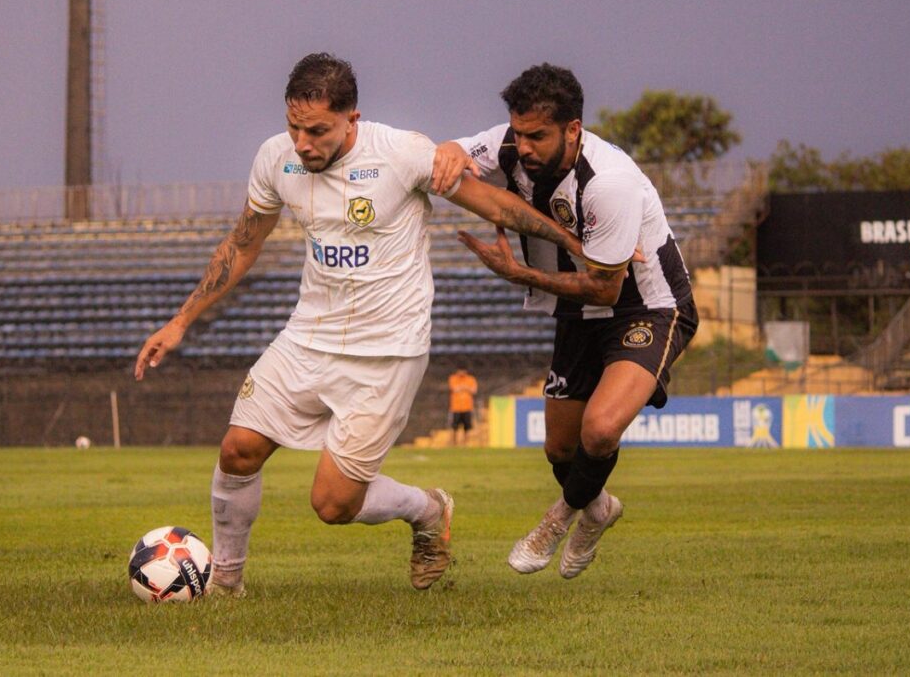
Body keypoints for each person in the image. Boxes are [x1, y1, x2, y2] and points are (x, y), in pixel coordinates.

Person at [134, 53, 585, 595]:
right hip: (307, 336)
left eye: (317, 130)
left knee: (332, 504)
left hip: (387, 351)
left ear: (353, 118)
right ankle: (226, 586)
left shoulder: (401, 154)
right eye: (294, 127)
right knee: (238, 449)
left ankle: (428, 509)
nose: (303, 142)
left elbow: (495, 204)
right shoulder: (276, 159)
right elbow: (243, 242)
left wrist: (576, 246)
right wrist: (182, 320)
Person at [432, 63, 699, 579]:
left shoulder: (610, 184)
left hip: (645, 306)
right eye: (519, 132)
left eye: (539, 136)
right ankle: (598, 508)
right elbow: (460, 159)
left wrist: (518, 273)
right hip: (579, 314)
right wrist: (446, 150)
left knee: (599, 431)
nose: (524, 146)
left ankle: (560, 520)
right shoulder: (509, 142)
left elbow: (606, 286)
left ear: (573, 129)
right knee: (560, 447)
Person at [447, 366, 478, 446]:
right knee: (454, 427)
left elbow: (473, 390)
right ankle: (454, 443)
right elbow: (454, 389)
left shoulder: (470, 379)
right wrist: (466, 388)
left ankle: (465, 443)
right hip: (456, 408)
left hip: (467, 407)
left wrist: (463, 387)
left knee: (467, 427)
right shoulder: (453, 378)